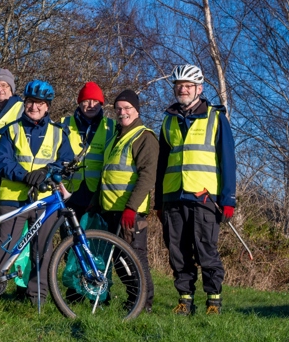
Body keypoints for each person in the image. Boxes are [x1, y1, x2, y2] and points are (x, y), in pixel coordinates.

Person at [155, 64, 236, 315]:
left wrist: (228, 199)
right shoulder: (168, 120)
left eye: (188, 86)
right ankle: (185, 300)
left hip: (204, 197)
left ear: (199, 88)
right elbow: (161, 164)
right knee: (177, 251)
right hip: (173, 197)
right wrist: (158, 201)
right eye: (179, 86)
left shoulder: (216, 117)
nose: (183, 90)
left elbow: (228, 161)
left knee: (206, 250)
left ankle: (213, 301)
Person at [0, 80, 73, 307]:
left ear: (47, 107)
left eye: (39, 103)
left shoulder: (58, 133)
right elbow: (2, 163)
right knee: (4, 248)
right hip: (13, 199)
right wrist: (25, 176)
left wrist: (47, 171)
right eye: (29, 102)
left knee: (43, 250)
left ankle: (37, 296)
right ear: (24, 103)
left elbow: (66, 162)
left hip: (45, 201)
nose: (34, 107)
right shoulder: (11, 130)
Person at [90, 89, 157, 313]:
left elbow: (147, 176)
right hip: (111, 208)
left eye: (127, 108)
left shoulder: (144, 137)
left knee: (135, 259)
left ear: (136, 110)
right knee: (120, 261)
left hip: (130, 212)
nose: (122, 112)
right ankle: (133, 300)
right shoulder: (116, 137)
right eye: (118, 109)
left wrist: (131, 207)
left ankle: (144, 304)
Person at [61, 82, 115, 212]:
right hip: (69, 191)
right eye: (87, 101)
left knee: (96, 232)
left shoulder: (111, 126)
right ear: (79, 103)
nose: (91, 105)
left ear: (101, 104)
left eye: (95, 101)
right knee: (68, 232)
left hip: (98, 192)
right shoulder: (64, 123)